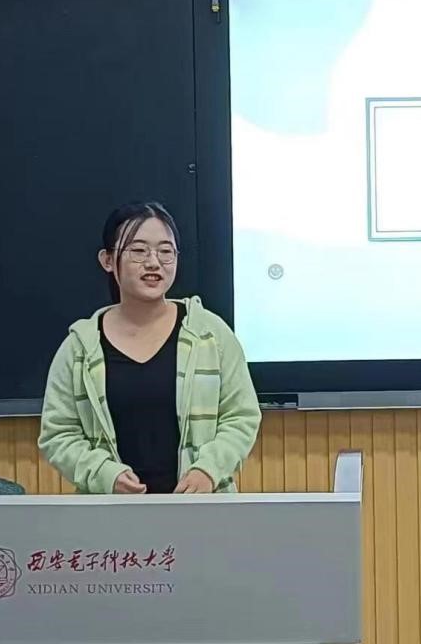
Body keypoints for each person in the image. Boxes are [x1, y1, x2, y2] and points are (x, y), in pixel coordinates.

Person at [39, 202, 260, 494]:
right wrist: (105, 475)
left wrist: (208, 470)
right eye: (139, 250)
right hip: (109, 513)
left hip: (202, 508)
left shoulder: (210, 334)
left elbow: (241, 416)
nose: (154, 262)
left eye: (166, 251)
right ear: (108, 260)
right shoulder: (80, 347)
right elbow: (58, 434)